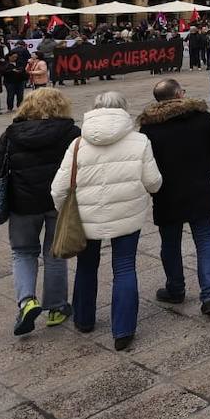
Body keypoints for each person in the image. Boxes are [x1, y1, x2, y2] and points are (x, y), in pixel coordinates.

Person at [50, 92, 162, 351]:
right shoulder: (140, 141)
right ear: (124, 109)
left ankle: (84, 319)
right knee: (124, 267)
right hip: (127, 214)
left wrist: (66, 212)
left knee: (86, 266)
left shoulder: (78, 143)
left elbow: (58, 188)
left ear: (94, 109)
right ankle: (123, 330)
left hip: (86, 217)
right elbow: (153, 182)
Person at [0, 87, 81, 334]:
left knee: (23, 252)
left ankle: (27, 301)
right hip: (58, 203)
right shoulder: (71, 132)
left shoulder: (11, 134)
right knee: (55, 252)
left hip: (23, 204)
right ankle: (57, 307)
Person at [139, 79, 210, 316]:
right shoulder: (201, 118)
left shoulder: (150, 127)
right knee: (205, 241)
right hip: (200, 188)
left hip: (167, 193)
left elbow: (144, 163)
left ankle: (176, 288)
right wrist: (206, 169)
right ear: (179, 94)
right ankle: (209, 295)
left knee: (170, 243)